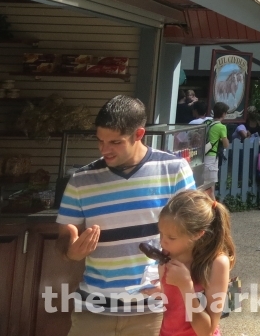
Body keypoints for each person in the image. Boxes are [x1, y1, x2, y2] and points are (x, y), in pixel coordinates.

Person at [57, 95, 195, 335]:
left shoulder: (175, 169)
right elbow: (63, 236)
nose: (104, 149)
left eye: (115, 142)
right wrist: (71, 250)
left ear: (139, 134)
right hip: (93, 310)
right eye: (99, 140)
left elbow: (194, 236)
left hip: (154, 312)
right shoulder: (81, 180)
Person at [157, 189, 235, 336]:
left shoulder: (217, 263)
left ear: (198, 234)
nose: (163, 241)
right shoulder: (168, 255)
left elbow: (207, 330)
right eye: (161, 233)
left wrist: (186, 287)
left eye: (171, 238)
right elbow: (173, 309)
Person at [205, 102, 229, 184]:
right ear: (223, 114)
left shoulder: (207, 122)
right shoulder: (221, 127)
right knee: (211, 186)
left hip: (203, 155)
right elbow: (226, 145)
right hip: (212, 156)